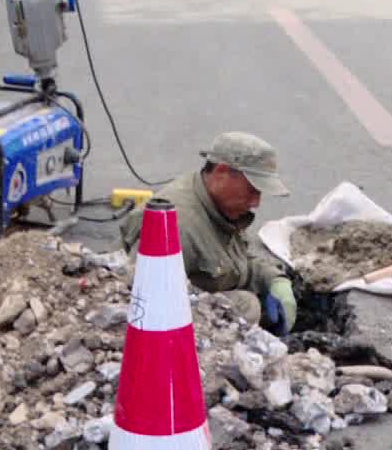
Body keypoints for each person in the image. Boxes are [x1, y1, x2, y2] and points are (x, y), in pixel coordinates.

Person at [120, 132, 298, 336]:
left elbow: (237, 260)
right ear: (222, 172)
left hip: (194, 296)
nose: (256, 202)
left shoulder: (219, 206)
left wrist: (274, 280)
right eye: (252, 190)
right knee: (246, 305)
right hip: (164, 325)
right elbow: (139, 303)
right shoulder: (178, 227)